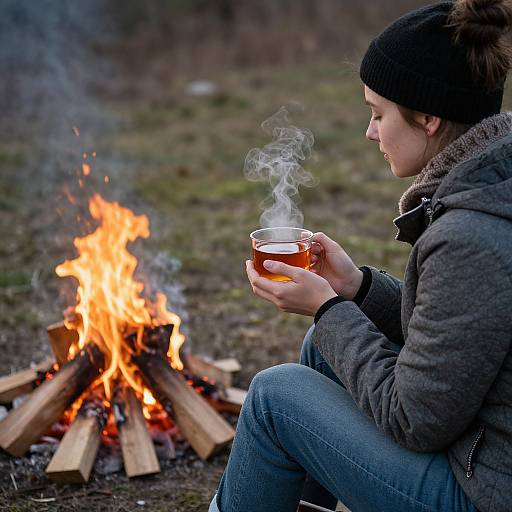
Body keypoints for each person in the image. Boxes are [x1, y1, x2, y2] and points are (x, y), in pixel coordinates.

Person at [209, 1, 512, 511]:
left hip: (482, 492)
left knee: (273, 398)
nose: (370, 132)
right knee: (321, 349)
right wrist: (357, 290)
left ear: (429, 117)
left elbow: (414, 418)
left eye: (377, 114)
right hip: (487, 455)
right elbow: (462, 338)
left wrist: (329, 310)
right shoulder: (492, 188)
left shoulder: (470, 235)